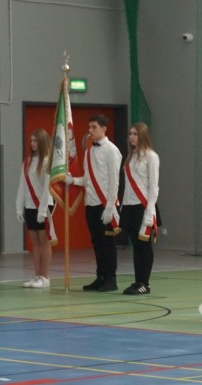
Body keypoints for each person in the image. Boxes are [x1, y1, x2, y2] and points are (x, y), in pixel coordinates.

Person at [72, 114, 122, 292]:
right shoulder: (89, 151)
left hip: (105, 204)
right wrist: (73, 181)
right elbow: (88, 179)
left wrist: (110, 207)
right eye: (89, 127)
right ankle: (100, 276)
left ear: (103, 128)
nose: (90, 130)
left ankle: (111, 278)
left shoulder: (112, 150)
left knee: (107, 243)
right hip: (91, 203)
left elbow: (114, 181)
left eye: (94, 127)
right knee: (97, 243)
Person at [119, 122, 160, 295]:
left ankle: (145, 283)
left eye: (135, 134)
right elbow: (128, 186)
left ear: (142, 136)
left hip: (143, 206)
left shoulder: (151, 156)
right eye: (130, 133)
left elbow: (154, 187)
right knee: (136, 246)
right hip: (129, 206)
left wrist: (150, 211)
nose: (131, 137)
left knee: (144, 246)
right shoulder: (130, 157)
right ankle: (138, 281)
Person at [15, 129, 56, 289]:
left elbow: (47, 188)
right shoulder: (27, 162)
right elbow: (22, 185)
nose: (32, 143)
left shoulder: (48, 162)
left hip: (44, 204)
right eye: (31, 140)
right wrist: (19, 207)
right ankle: (37, 275)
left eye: (36, 140)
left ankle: (45, 277)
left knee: (44, 241)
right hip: (30, 205)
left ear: (42, 142)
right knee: (35, 242)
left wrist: (43, 209)